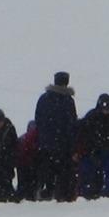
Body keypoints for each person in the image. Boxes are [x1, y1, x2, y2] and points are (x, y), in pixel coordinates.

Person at [34, 71, 78, 202]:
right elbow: (71, 124)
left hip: (46, 143)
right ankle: (62, 195)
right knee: (63, 172)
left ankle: (46, 192)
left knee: (47, 170)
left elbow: (38, 119)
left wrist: (43, 136)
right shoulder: (68, 100)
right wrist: (71, 145)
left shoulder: (44, 98)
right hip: (63, 144)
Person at [76, 94, 109, 199]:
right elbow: (83, 133)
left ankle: (107, 193)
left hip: (107, 149)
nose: (106, 112)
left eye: (108, 109)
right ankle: (86, 193)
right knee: (89, 171)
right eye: (104, 109)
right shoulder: (92, 117)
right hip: (91, 149)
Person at [15, 121, 39, 201]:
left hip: (23, 164)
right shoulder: (38, 139)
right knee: (32, 184)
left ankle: (21, 197)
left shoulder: (22, 138)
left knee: (23, 184)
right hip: (30, 164)